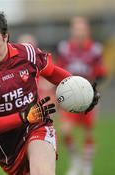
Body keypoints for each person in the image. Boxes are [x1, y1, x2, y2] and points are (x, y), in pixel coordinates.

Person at [0, 11, 98, 175]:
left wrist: (82, 90)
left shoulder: (28, 54)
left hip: (37, 126)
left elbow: (52, 72)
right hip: (9, 151)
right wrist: (23, 116)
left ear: (6, 36)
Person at [56, 16, 107, 175]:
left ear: (87, 30)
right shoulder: (64, 48)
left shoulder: (95, 49)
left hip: (88, 98)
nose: (79, 32)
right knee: (65, 130)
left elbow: (101, 74)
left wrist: (94, 93)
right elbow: (57, 72)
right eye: (76, 29)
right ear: (72, 30)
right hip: (70, 97)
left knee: (88, 132)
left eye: (82, 29)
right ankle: (75, 161)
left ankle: (86, 166)